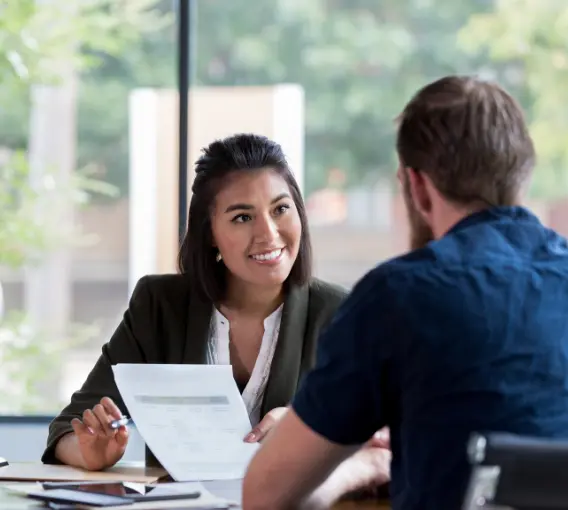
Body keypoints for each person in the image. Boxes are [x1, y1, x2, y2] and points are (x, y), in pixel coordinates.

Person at [243, 75, 568, 510]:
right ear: (522, 173)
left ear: (416, 185)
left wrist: (368, 465)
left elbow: (265, 496)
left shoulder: (398, 296)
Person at [42, 133, 349, 471]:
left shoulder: (339, 314)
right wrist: (88, 452)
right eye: (243, 217)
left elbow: (383, 433)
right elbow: (68, 428)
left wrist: (305, 426)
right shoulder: (159, 306)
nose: (269, 233)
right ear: (210, 234)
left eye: (280, 209)